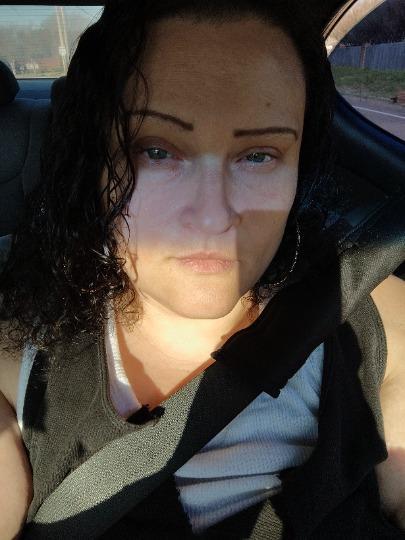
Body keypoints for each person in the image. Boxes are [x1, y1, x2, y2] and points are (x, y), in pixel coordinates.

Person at [1, 1, 405, 538]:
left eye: (259, 155)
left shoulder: (365, 307)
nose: (214, 218)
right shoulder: (20, 350)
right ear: (94, 161)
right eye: (157, 151)